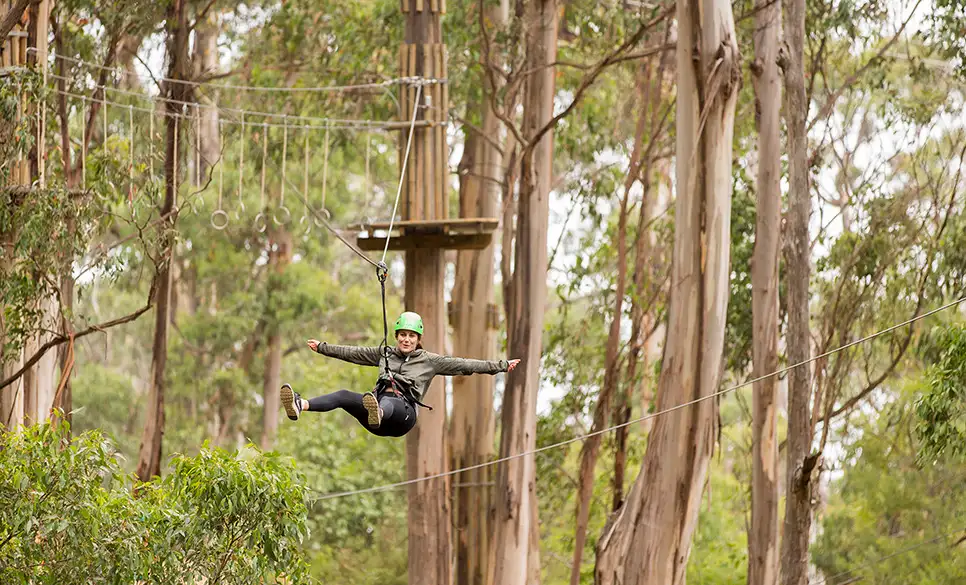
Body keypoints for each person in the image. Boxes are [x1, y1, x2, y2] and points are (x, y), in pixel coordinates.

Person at [280, 311, 521, 438]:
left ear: (418, 339)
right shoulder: (384, 354)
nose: (406, 339)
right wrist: (323, 347)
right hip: (376, 420)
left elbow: (466, 365)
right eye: (403, 335)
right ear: (397, 336)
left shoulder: (429, 361)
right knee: (344, 396)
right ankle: (301, 404)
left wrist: (500, 365)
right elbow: (352, 352)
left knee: (389, 400)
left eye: (411, 336)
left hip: (402, 417)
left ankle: (379, 411)